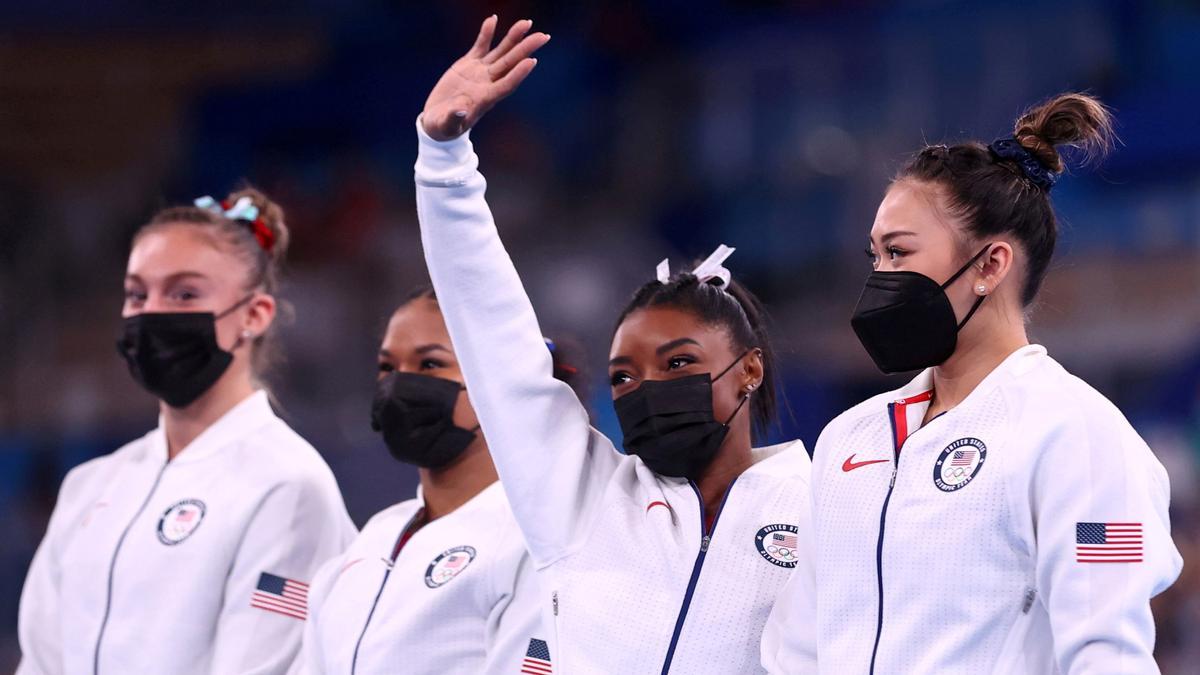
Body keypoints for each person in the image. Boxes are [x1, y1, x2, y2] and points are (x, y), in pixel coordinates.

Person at [413, 16, 814, 673]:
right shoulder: (581, 497)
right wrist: (443, 162)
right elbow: (493, 334)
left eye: (678, 361)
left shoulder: (828, 504)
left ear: (749, 370)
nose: (647, 388)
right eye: (623, 376)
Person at [762, 93, 1183, 673]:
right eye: (875, 256)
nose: (880, 277)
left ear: (990, 265)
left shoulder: (1081, 436)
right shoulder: (847, 440)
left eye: (899, 252)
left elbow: (1109, 654)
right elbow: (800, 650)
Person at [18, 189, 356, 675]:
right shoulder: (90, 485)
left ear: (254, 315)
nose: (152, 312)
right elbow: (41, 660)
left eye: (184, 293)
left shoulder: (287, 486)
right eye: (137, 294)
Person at [295, 288, 574, 674]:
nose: (399, 385)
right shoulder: (372, 540)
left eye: (429, 364)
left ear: (500, 379)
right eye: (388, 368)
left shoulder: (535, 542)